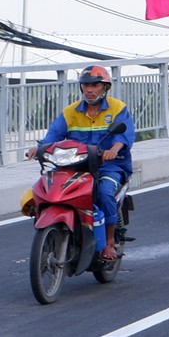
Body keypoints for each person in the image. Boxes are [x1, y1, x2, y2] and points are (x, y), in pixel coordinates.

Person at [28, 65, 134, 260]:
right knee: (46, 188)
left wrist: (114, 150)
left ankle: (109, 242)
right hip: (76, 165)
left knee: (103, 192)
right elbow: (54, 135)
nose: (89, 90)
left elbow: (125, 136)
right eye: (85, 85)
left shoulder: (118, 108)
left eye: (95, 85)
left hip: (110, 165)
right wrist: (39, 148)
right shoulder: (70, 112)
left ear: (105, 87)